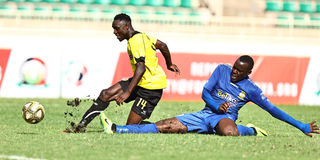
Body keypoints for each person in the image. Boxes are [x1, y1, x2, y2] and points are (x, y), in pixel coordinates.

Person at [100, 55, 319, 137]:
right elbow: (205, 92)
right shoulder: (221, 70)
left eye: (238, 71)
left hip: (224, 119)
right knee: (165, 126)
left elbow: (273, 110)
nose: (233, 71)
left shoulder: (251, 89)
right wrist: (216, 104)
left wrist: (301, 126)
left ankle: (251, 131)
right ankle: (118, 129)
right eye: (234, 67)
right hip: (205, 114)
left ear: (247, 73)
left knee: (229, 132)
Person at [65, 13, 180, 133]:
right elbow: (163, 45)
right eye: (113, 29)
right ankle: (80, 127)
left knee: (130, 127)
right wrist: (169, 64)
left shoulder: (136, 42)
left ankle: (165, 127)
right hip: (140, 82)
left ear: (126, 26)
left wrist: (127, 92)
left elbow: (141, 68)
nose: (114, 32)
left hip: (151, 89)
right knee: (105, 94)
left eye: (116, 28)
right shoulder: (143, 36)